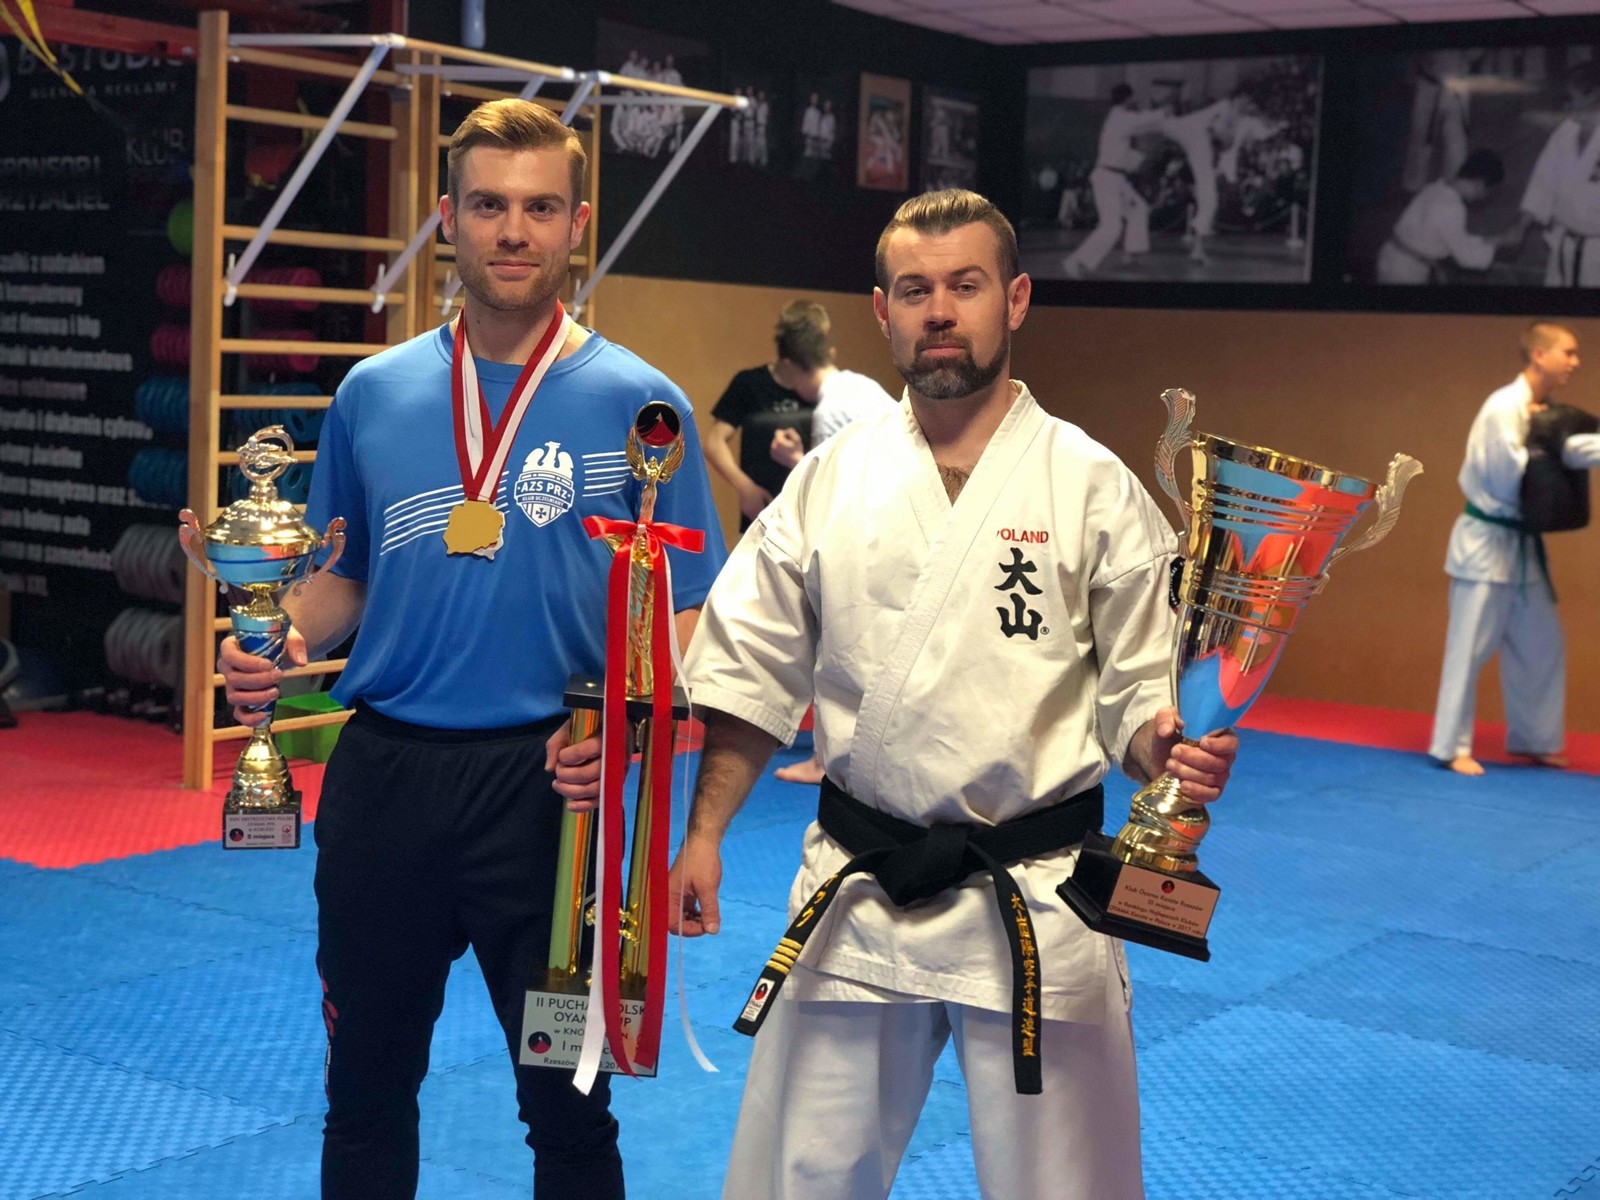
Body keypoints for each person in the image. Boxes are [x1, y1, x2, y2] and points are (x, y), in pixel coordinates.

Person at [669, 189, 1239, 1200]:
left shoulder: (1091, 484)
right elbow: (750, 672)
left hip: (1038, 889)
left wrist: (1167, 750)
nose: (939, 310)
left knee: (1067, 1187)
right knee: (798, 1179)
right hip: (861, 884)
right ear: (881, 310)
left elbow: (1139, 692)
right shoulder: (829, 480)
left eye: (965, 286)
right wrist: (703, 834)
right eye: (914, 289)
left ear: (1014, 300)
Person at [216, 99, 726, 1199]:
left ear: (576, 224)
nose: (513, 231)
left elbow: (686, 614)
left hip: (551, 796)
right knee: (364, 1094)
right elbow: (345, 577)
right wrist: (274, 638)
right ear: (447, 217)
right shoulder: (374, 394)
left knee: (568, 1106)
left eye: (540, 208)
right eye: (489, 205)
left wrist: (627, 729)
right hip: (385, 782)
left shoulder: (645, 407)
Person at [1429, 322, 1586, 775]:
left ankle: (1535, 738)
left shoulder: (1545, 411)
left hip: (1522, 546)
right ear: (1540, 355)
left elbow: (1570, 450)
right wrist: (1549, 450)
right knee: (1469, 647)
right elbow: (1509, 479)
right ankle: (1450, 745)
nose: (1575, 362)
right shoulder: (1502, 408)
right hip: (1486, 542)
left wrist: (1557, 446)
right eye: (1568, 352)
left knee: (1541, 644)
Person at [764, 306, 898, 787]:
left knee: (833, 637)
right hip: (897, 519)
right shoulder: (862, 387)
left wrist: (793, 461)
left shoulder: (829, 411)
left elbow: (832, 493)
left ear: (788, 367)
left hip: (870, 530)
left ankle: (825, 760)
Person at [701, 302, 824, 529]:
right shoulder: (749, 383)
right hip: (761, 514)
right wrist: (745, 488)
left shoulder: (825, 390)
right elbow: (714, 441)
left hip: (809, 512)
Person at [1063, 84, 1167, 279]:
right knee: (1112, 227)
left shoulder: (1120, 119)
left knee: (1138, 209)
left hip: (1117, 179)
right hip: (1107, 178)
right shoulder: (1120, 118)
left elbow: (1143, 125)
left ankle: (1133, 254)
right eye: (1133, 98)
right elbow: (1144, 121)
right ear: (1128, 98)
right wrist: (1162, 111)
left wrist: (1160, 117)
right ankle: (1075, 262)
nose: (1135, 101)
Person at [1376, 149, 1513, 284]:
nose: (1485, 197)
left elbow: (1447, 237)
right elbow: (1466, 256)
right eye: (1489, 192)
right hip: (1405, 270)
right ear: (1480, 184)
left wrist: (1494, 240)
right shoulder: (1452, 206)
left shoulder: (1436, 188)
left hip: (1394, 257)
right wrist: (1501, 242)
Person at [1520, 64, 1600, 288]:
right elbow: (1542, 181)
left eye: (1569, 98)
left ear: (1594, 95)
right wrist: (1520, 225)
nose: (1565, 105)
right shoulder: (1565, 131)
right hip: (1562, 245)